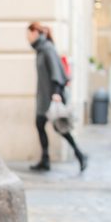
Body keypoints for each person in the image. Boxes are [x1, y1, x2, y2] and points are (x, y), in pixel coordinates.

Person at [26, 22, 88, 172]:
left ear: (35, 32)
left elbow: (57, 71)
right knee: (41, 125)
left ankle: (80, 154)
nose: (27, 38)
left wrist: (56, 93)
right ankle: (45, 160)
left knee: (60, 128)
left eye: (28, 34)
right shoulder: (41, 50)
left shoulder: (47, 49)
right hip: (44, 97)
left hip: (51, 97)